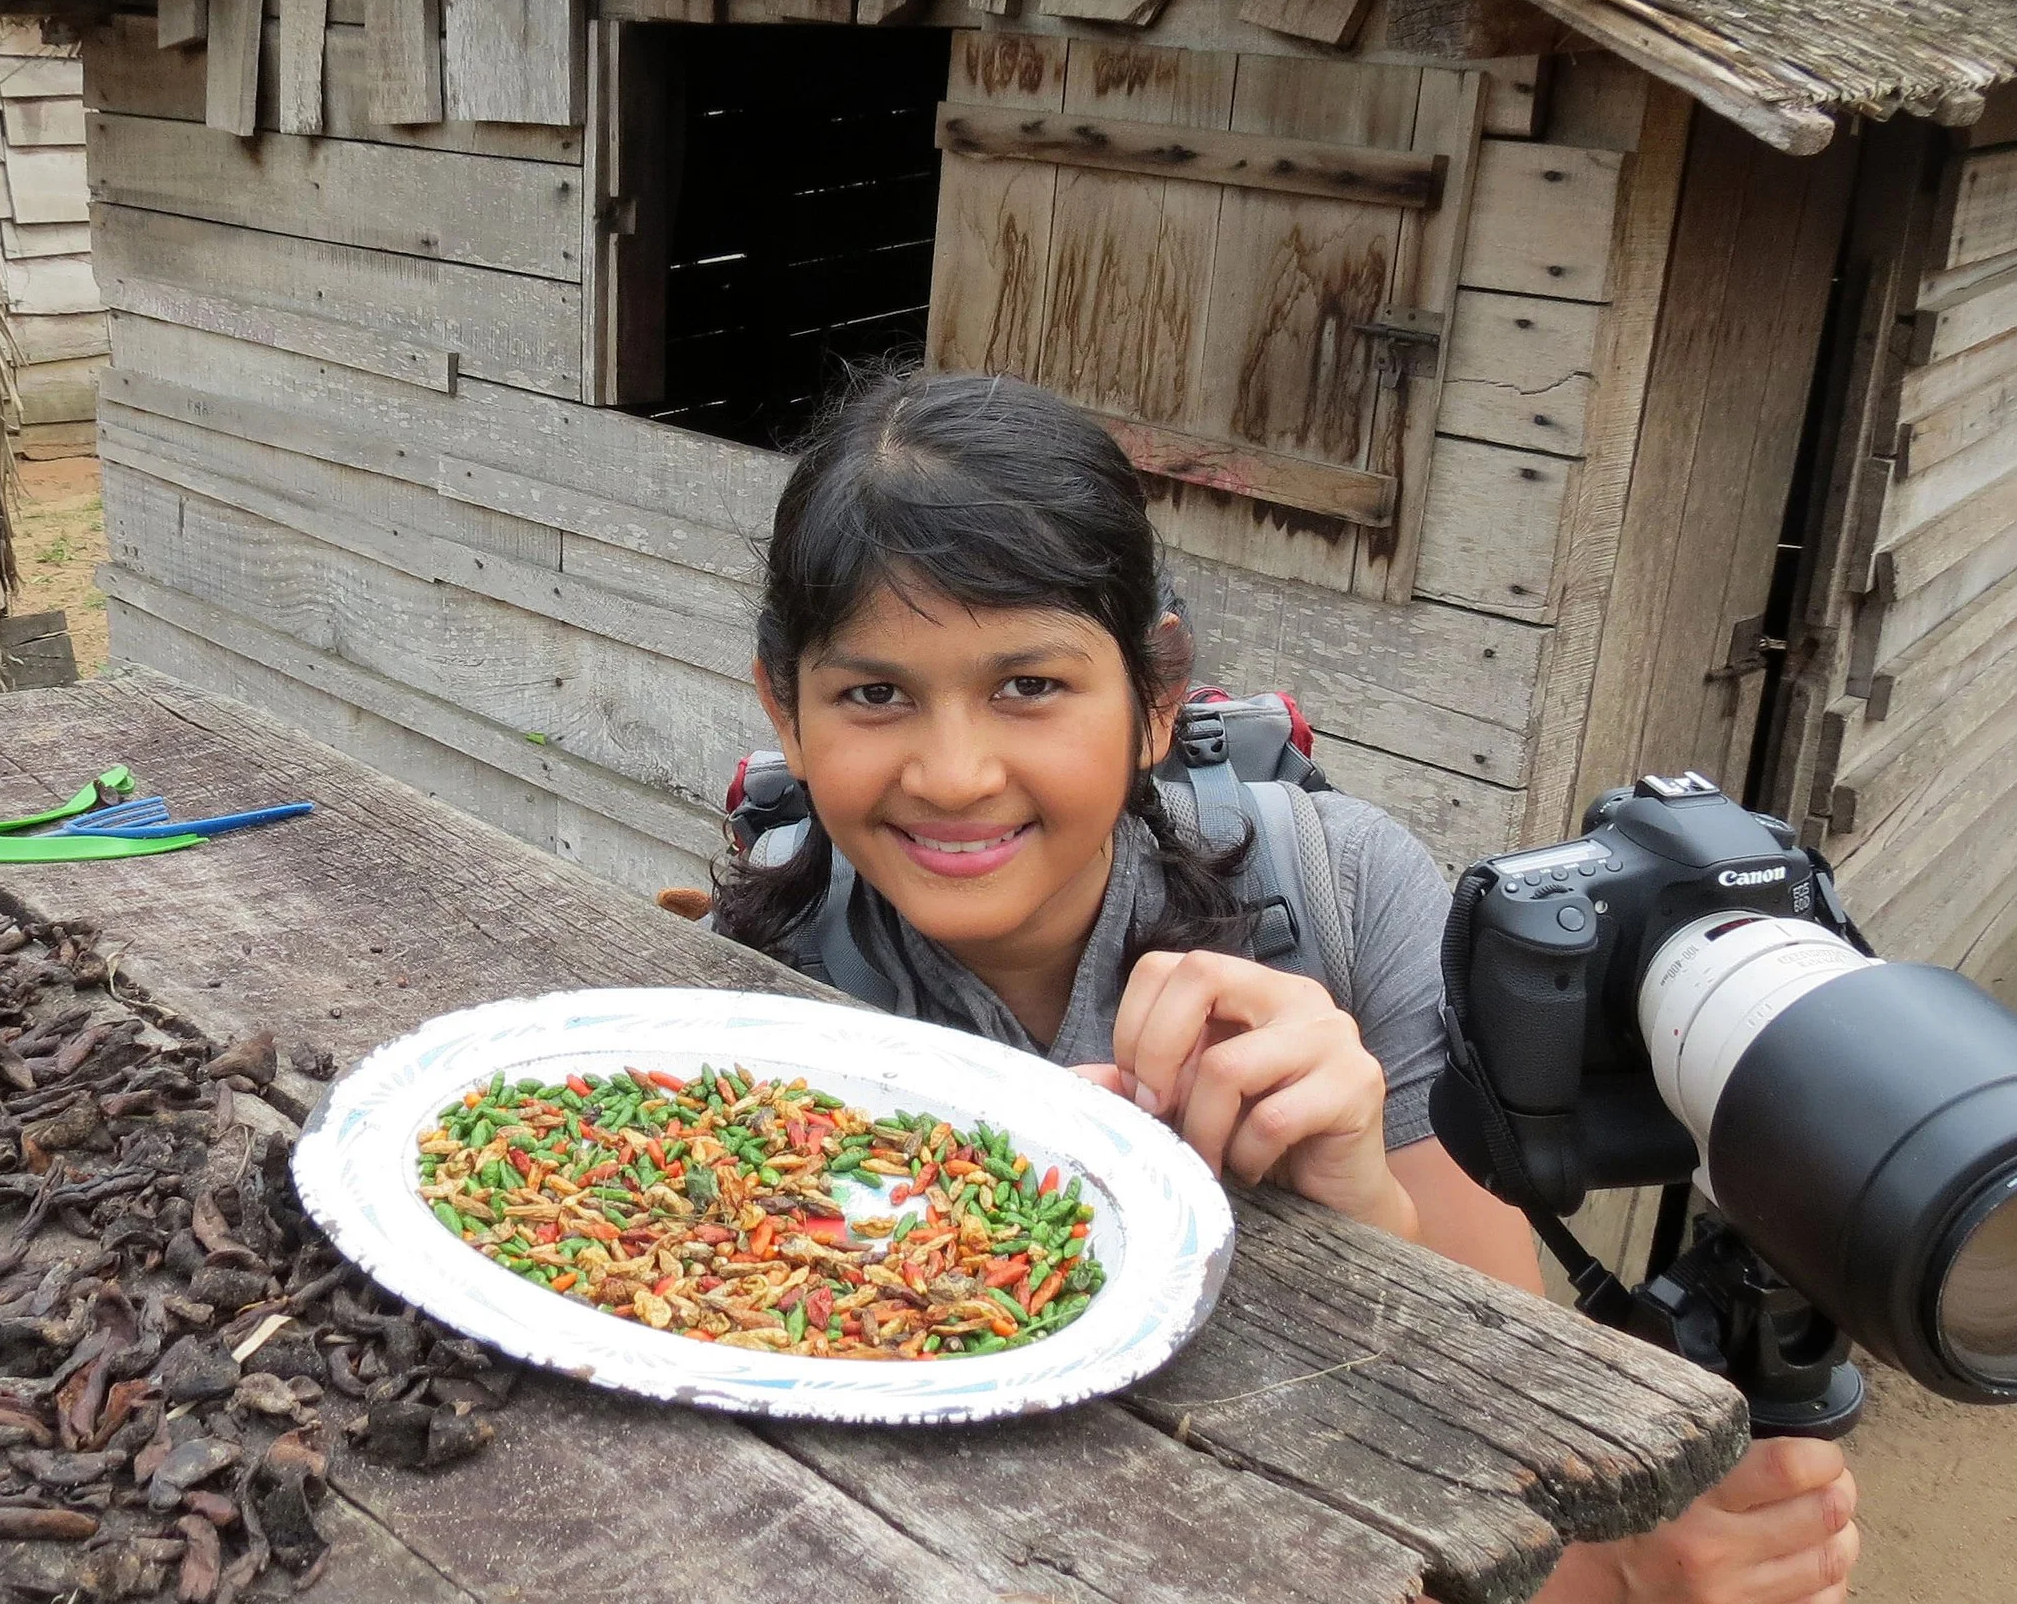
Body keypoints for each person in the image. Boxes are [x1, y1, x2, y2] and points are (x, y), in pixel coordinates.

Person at [710, 369, 1860, 1604]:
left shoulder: (1344, 896)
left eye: (1028, 685)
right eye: (873, 693)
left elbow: (1534, 1505)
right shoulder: (749, 990)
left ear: (1154, 700)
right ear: (786, 704)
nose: (952, 772)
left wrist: (1357, 1199)